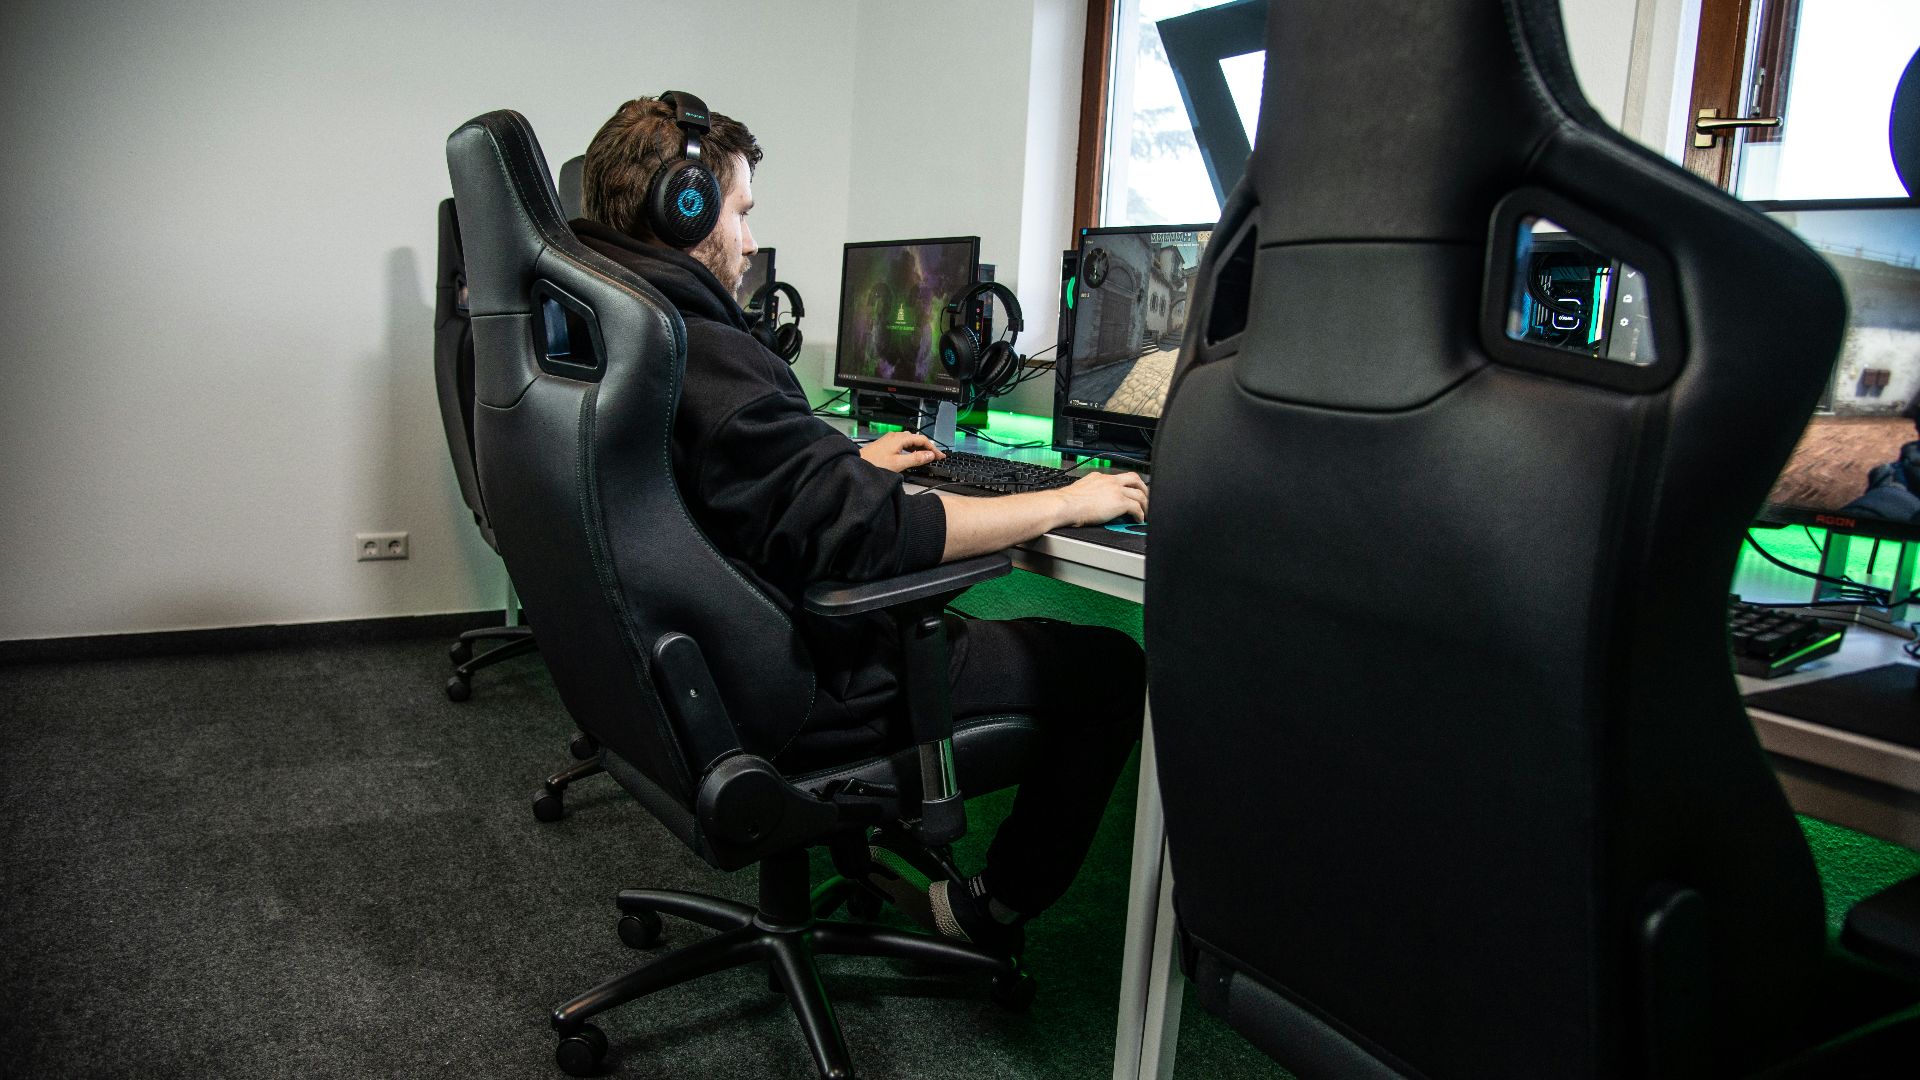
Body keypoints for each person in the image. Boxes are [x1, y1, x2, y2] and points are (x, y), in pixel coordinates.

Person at [570, 94, 1147, 954]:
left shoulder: (621, 332)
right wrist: (1068, 501)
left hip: (688, 665)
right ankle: (991, 909)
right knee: (1110, 663)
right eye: (740, 210)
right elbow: (880, 538)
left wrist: (841, 466)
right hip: (797, 682)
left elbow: (730, 485)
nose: (752, 240)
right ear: (683, 206)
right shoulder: (702, 348)